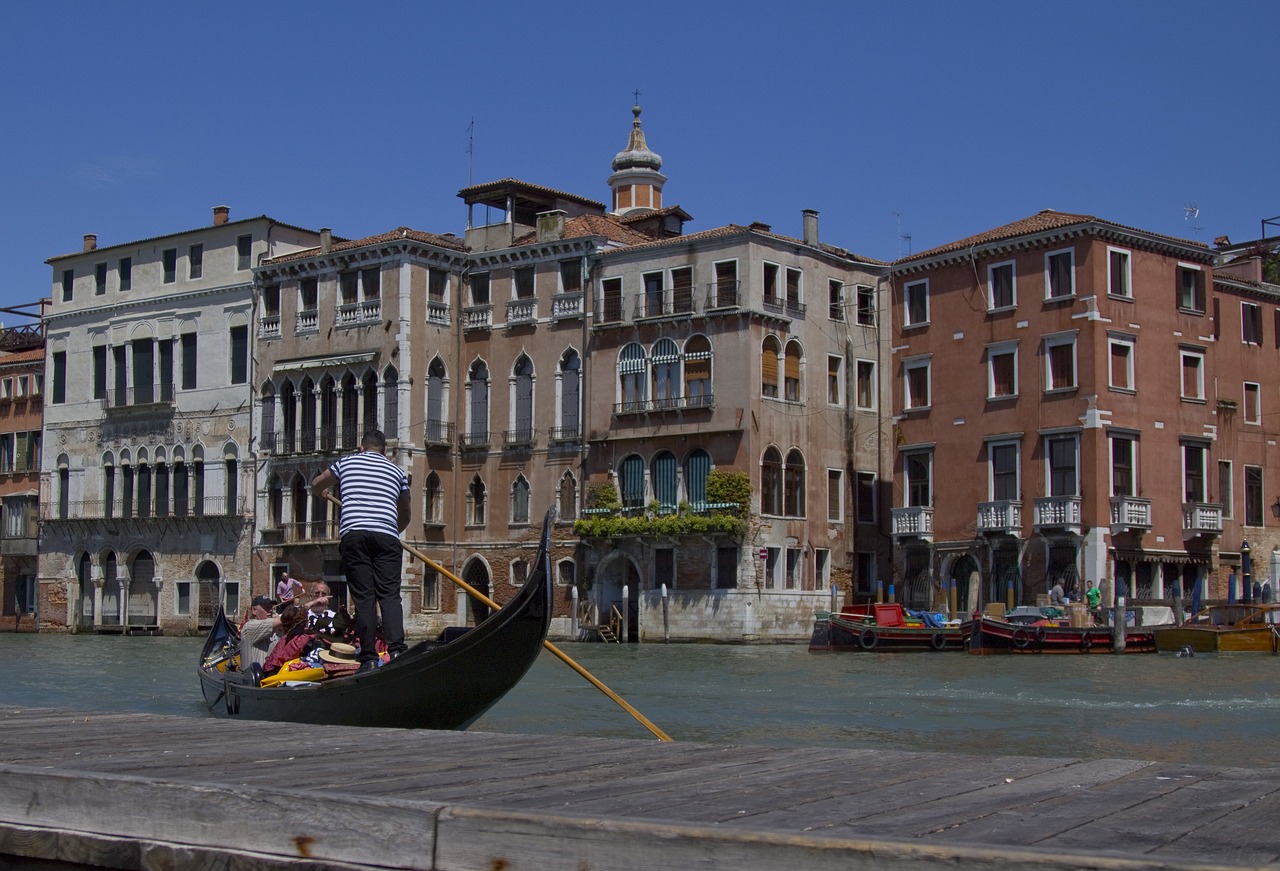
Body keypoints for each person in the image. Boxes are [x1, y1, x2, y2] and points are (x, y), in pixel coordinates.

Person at [312, 429, 410, 673]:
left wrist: (320, 492)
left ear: (361, 447)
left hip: (354, 535)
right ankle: (396, 650)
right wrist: (390, 529)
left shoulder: (346, 462)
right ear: (384, 450)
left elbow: (317, 483)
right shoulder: (397, 471)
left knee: (365, 599)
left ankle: (368, 659)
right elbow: (406, 513)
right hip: (387, 536)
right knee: (389, 596)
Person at [240, 595, 284, 675]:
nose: (270, 611)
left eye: (271, 608)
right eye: (266, 608)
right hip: (252, 681)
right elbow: (287, 618)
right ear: (254, 610)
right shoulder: (249, 627)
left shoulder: (273, 629)